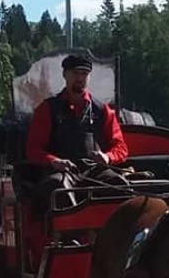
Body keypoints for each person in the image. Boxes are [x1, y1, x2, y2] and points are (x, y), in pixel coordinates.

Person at [25, 53, 128, 207]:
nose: (80, 78)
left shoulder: (102, 110)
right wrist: (54, 161)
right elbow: (33, 150)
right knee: (57, 190)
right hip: (61, 173)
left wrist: (107, 158)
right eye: (75, 73)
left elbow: (121, 148)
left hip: (94, 172)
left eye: (84, 74)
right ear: (65, 75)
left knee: (119, 185)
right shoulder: (47, 109)